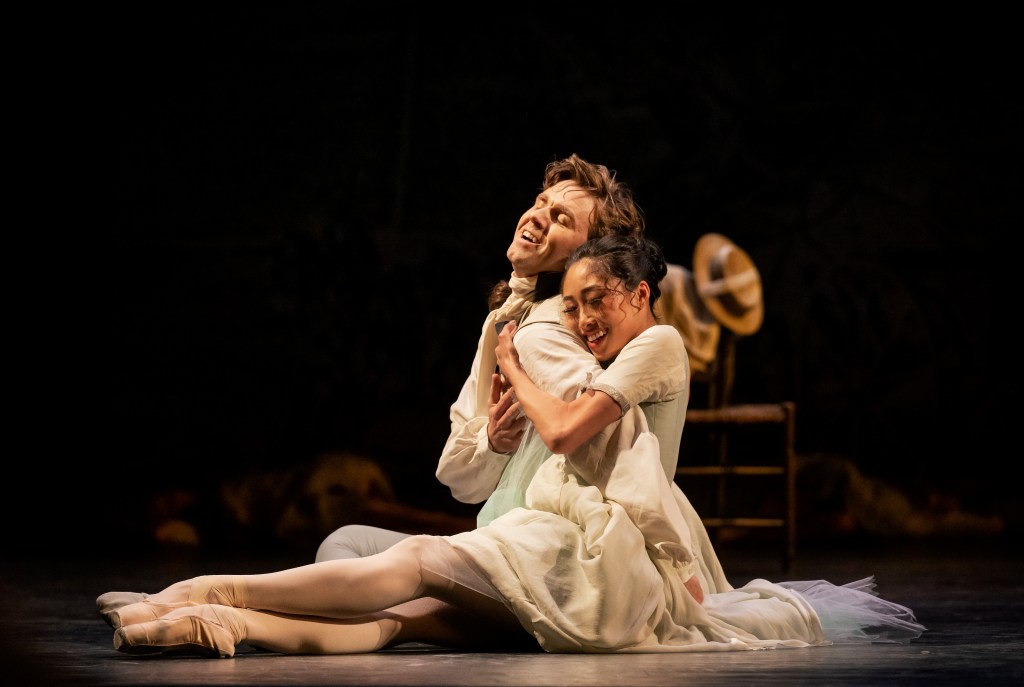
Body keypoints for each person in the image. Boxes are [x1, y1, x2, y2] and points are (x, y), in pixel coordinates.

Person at [97, 234, 925, 656]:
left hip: (604, 560)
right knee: (406, 618)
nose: (586, 318)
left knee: (417, 565)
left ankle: (211, 590)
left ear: (641, 293)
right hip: (574, 552)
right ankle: (219, 622)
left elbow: (570, 434)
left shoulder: (657, 343)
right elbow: (478, 459)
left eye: (598, 300)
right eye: (577, 303)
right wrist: (502, 391)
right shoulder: (588, 343)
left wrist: (513, 364)